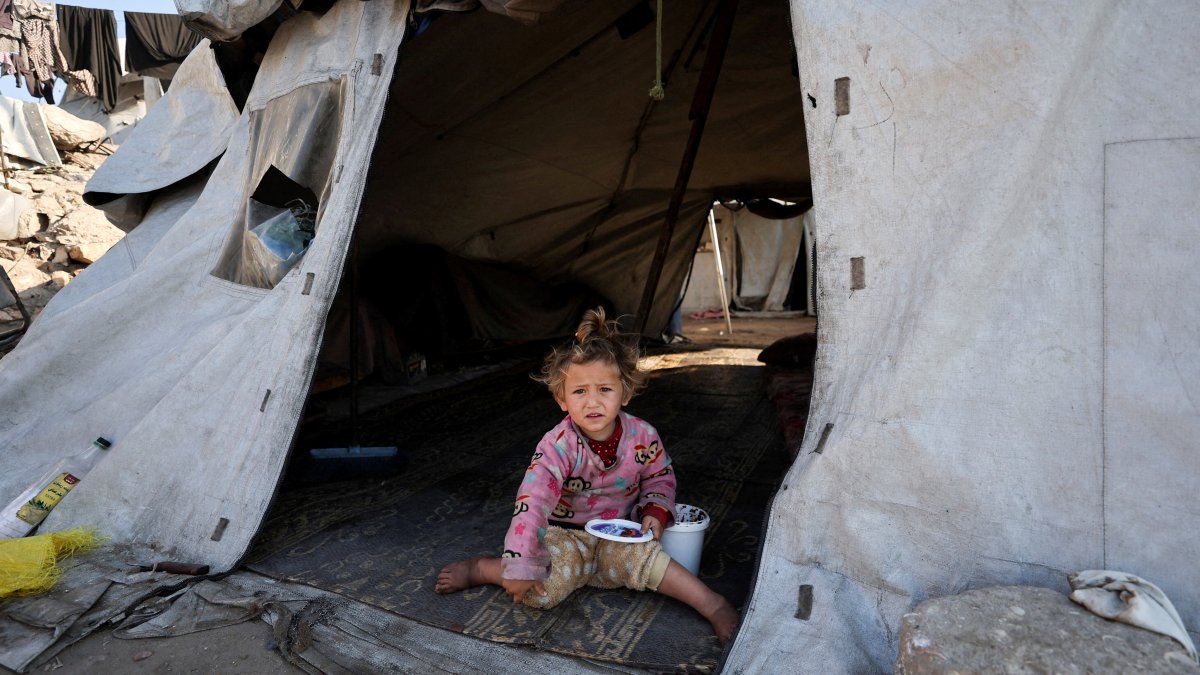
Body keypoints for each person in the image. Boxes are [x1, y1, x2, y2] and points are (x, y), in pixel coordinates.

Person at [435, 307, 738, 644]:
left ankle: (713, 604)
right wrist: (522, 567)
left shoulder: (643, 435)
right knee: (540, 592)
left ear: (625, 393)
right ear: (561, 399)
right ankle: (484, 568)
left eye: (604, 390)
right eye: (579, 391)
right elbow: (532, 501)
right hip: (564, 539)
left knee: (649, 560)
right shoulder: (557, 445)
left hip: (619, 535)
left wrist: (655, 510)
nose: (592, 401)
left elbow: (659, 477)